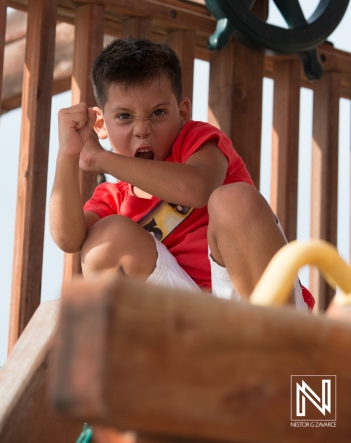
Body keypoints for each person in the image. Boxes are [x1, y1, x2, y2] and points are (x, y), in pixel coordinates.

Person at [49, 37, 312, 309]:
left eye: (158, 112)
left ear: (183, 111)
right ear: (101, 125)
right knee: (103, 243)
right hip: (189, 323)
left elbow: (197, 190)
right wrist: (68, 155)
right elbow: (69, 239)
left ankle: (278, 336)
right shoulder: (113, 199)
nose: (142, 129)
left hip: (254, 301)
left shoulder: (198, 142)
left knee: (234, 199)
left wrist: (101, 158)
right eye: (125, 116)